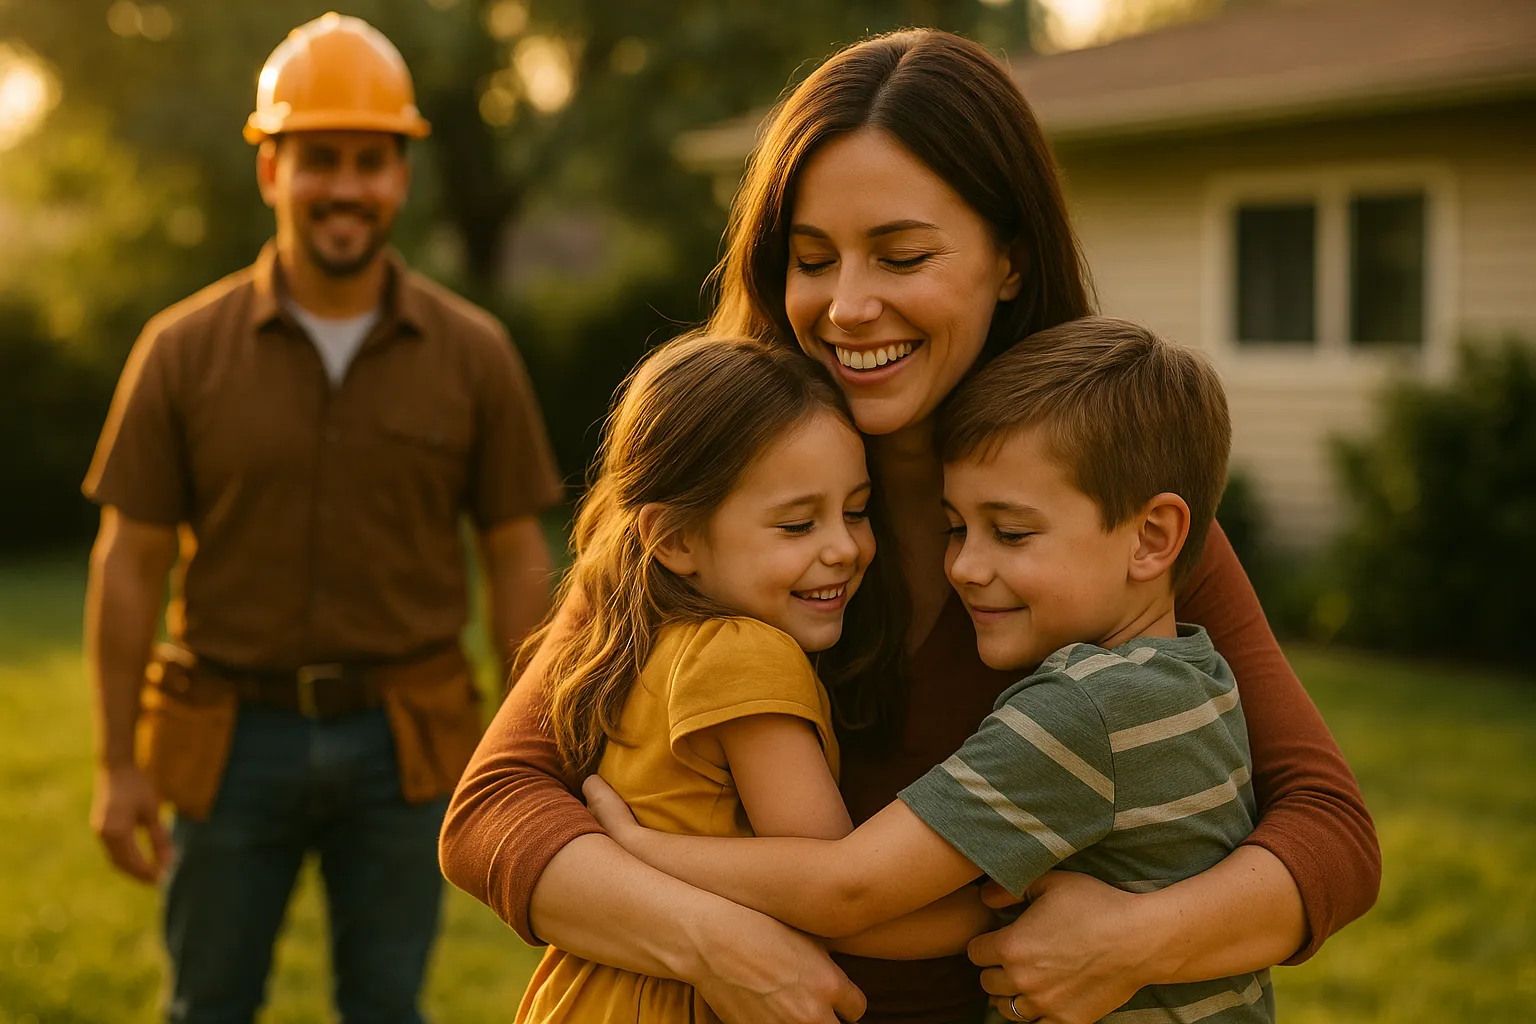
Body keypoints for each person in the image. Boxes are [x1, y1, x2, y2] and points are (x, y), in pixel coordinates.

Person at [441, 29, 1380, 1024]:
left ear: (1010, 261)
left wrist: (1126, 943)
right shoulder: (712, 508)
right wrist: (717, 941)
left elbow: (1329, 833)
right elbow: (495, 808)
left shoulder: (1101, 516)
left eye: (902, 254)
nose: (848, 306)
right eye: (812, 259)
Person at [585, 317, 1276, 1024]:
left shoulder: (1078, 713)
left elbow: (846, 891)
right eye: (956, 529)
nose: (965, 568)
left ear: (1153, 537)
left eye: (1010, 532)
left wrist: (637, 850)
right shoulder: (1198, 675)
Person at [82, 13, 562, 1023]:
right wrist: (118, 762)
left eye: (370, 161)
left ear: (401, 176)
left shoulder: (475, 355)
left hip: (408, 736)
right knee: (206, 1003)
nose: (344, 186)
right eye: (318, 159)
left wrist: (537, 745)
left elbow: (516, 558)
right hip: (227, 735)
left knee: (387, 1006)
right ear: (271, 170)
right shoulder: (179, 351)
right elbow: (128, 563)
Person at [514, 336, 992, 1024]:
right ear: (674, 539)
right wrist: (997, 912)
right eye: (798, 523)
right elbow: (838, 899)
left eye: (856, 511)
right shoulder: (746, 653)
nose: (843, 548)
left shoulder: (645, 638)